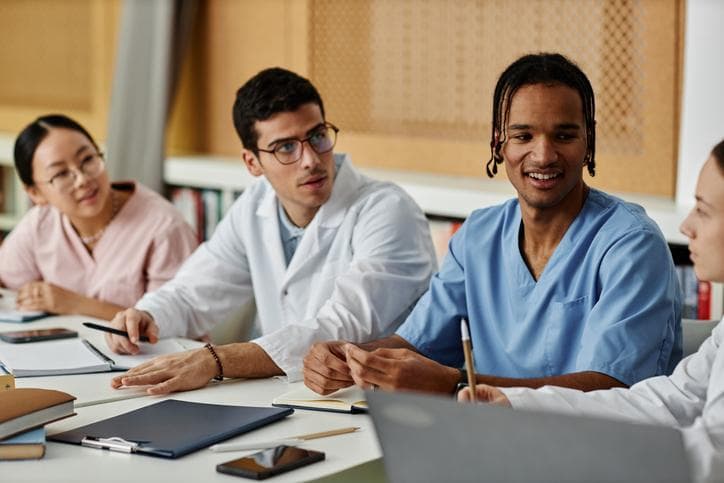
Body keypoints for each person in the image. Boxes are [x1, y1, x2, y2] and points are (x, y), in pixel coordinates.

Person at [304, 52, 682, 396]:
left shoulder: (631, 244)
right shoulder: (478, 236)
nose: (544, 154)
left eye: (564, 135)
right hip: (488, 438)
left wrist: (455, 382)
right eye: (523, 135)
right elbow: (419, 344)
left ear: (589, 140)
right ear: (499, 142)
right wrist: (347, 354)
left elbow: (611, 389)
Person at [105, 67, 437, 394]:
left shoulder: (388, 210)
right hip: (285, 395)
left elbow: (340, 328)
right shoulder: (255, 205)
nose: (310, 160)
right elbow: (195, 292)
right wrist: (148, 315)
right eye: (285, 147)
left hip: (370, 401)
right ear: (252, 163)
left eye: (317, 136)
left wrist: (214, 361)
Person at [459, 140, 724, 483]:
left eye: (703, 210)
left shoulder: (628, 239)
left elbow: (713, 458)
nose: (687, 225)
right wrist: (515, 404)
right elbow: (669, 402)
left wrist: (570, 451)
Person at [0, 114, 198, 320]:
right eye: (60, 174)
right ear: (35, 193)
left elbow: (171, 321)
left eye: (87, 159)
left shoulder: (165, 226)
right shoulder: (40, 223)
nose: (83, 180)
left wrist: (73, 304)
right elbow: (6, 283)